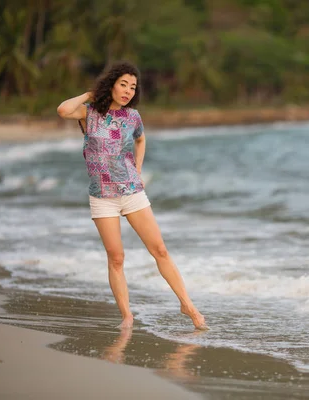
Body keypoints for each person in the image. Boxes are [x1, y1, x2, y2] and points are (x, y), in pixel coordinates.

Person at [57, 61, 207, 330]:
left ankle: (188, 305)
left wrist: (138, 168)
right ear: (112, 84)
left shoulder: (133, 117)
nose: (127, 90)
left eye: (133, 87)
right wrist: (90, 94)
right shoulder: (88, 113)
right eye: (123, 84)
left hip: (131, 192)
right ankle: (127, 315)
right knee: (116, 258)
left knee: (159, 249)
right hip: (102, 196)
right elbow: (62, 109)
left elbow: (140, 139)